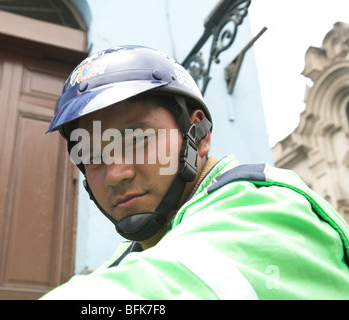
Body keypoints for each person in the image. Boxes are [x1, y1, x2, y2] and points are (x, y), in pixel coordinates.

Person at [40, 45, 349, 299]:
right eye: (93, 156)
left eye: (136, 139)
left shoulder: (268, 210)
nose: (115, 173)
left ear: (198, 135)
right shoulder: (132, 256)